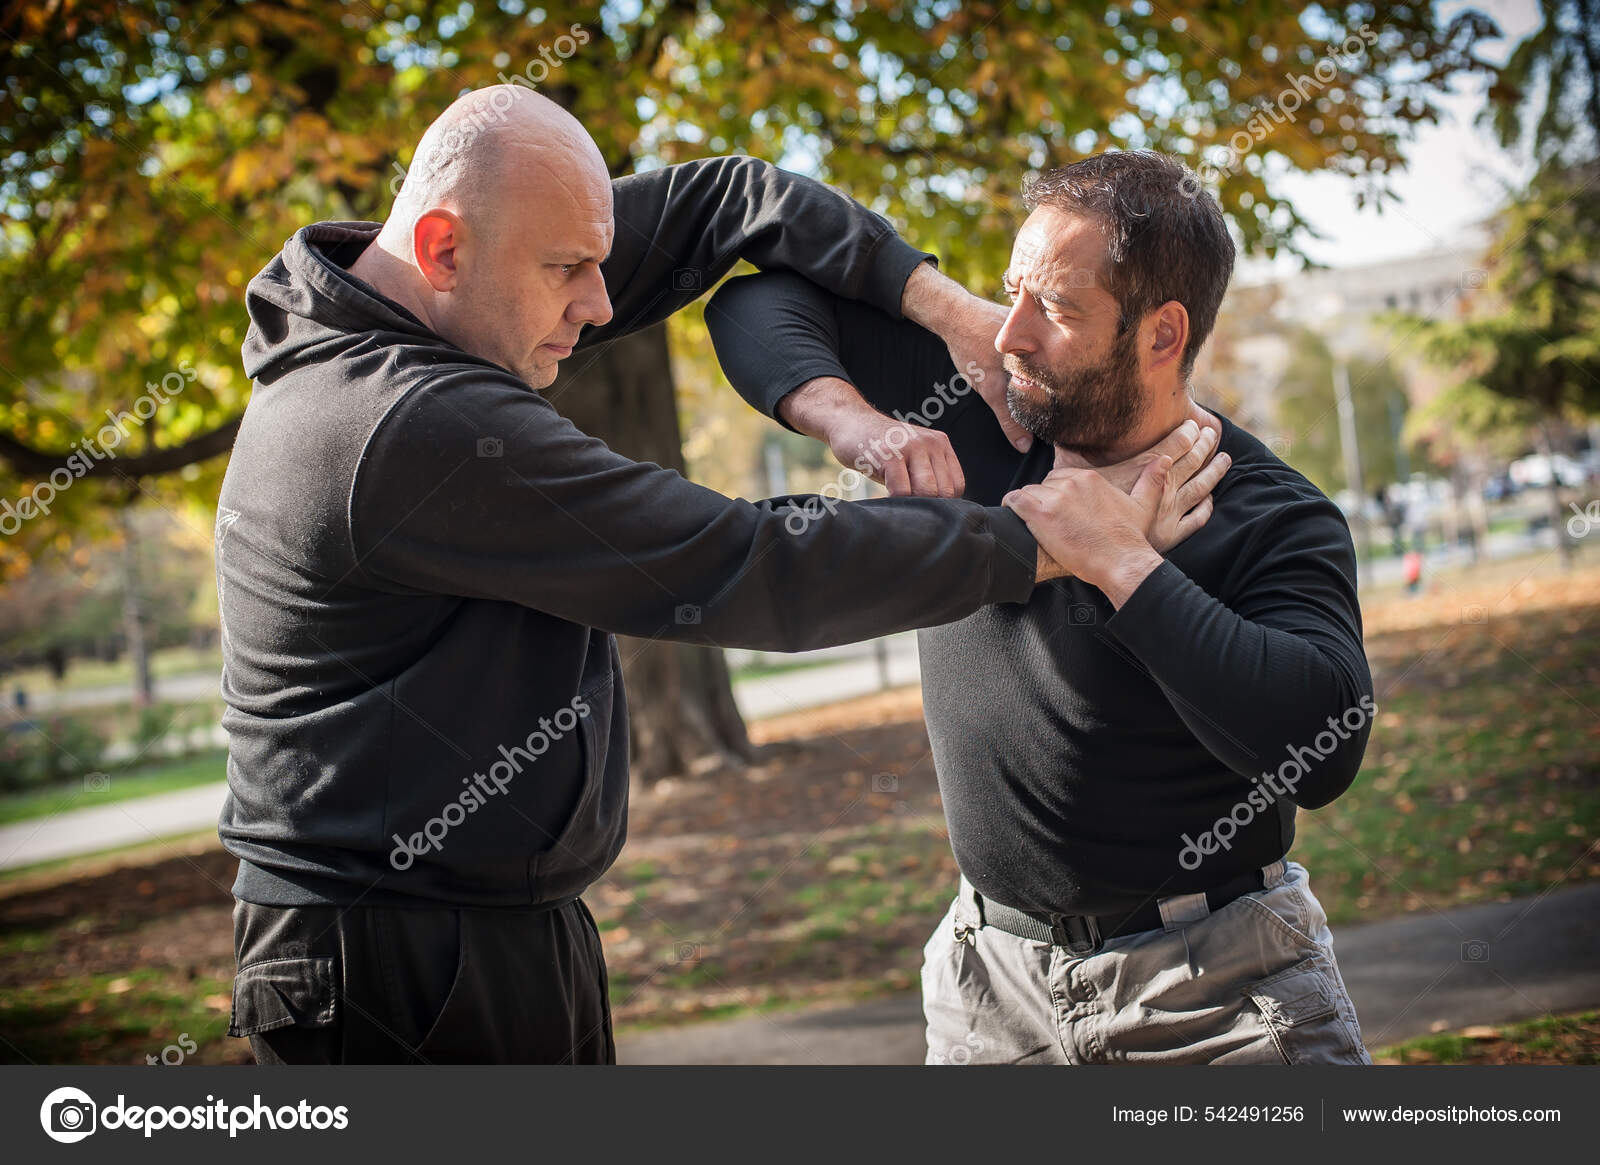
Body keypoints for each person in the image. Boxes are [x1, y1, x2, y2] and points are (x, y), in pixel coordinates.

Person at [217, 89, 1219, 1065]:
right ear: (441, 248)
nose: (602, 304)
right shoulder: (405, 423)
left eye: (603, 261)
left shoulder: (458, 290)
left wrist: (949, 312)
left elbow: (731, 203)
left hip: (493, 929)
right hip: (390, 962)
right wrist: (1047, 544)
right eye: (568, 270)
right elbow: (743, 564)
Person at [708, 150, 1375, 1065]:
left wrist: (1121, 561)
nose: (1012, 332)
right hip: (990, 991)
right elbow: (751, 302)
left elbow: (1326, 746)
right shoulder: (982, 397)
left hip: (1216, 993)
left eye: (1054, 309)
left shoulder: (1267, 508)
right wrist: (867, 412)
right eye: (1008, 292)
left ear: (1161, 334)